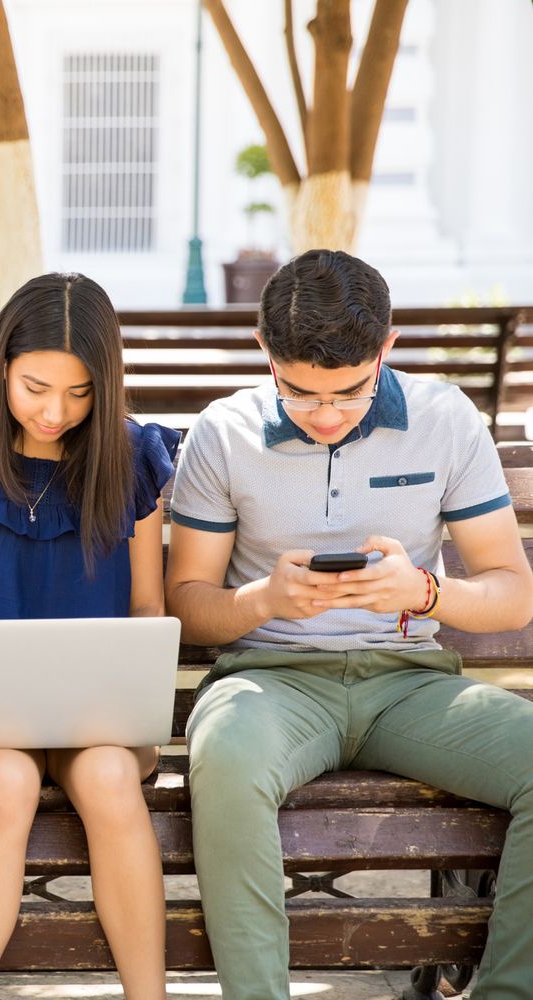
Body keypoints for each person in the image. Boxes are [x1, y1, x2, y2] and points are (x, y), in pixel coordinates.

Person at [165, 248, 533, 999]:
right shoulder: (223, 433)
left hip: (410, 688)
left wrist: (423, 592)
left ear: (387, 347)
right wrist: (263, 601)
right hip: (269, 684)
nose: (326, 416)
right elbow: (189, 601)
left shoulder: (445, 419)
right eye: (300, 394)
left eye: (350, 393)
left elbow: (512, 593)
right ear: (264, 352)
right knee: (226, 765)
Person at [0, 273, 177, 1000]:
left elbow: (147, 603)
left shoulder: (132, 457)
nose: (55, 411)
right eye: (34, 387)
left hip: (101, 714)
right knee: (9, 778)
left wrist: (124, 676)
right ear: (0, 367)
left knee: (112, 778)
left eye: (80, 393)